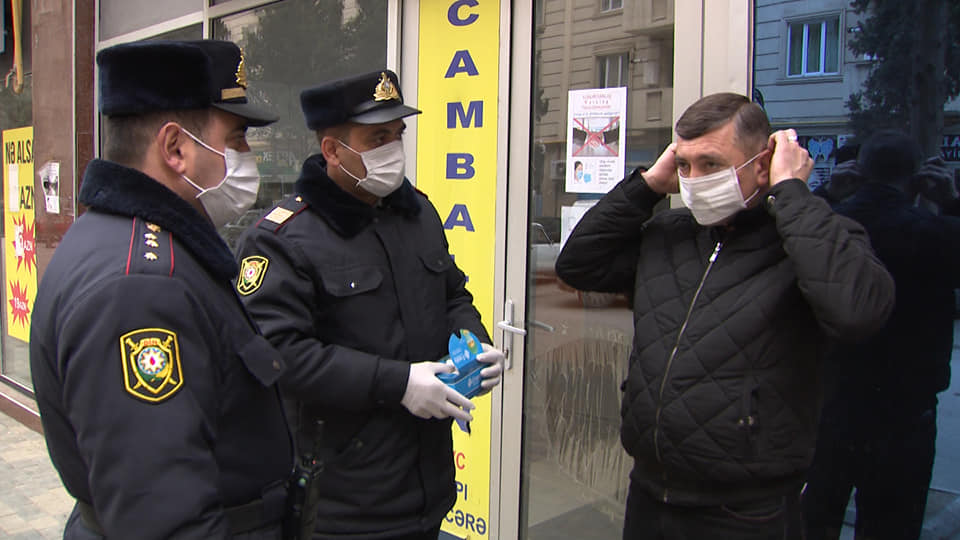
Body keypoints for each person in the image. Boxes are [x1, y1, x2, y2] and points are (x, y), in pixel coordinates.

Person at [554, 92, 895, 539]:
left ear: (762, 165)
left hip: (745, 510)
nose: (693, 179)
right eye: (684, 165)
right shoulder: (669, 234)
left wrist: (790, 192)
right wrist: (649, 185)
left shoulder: (805, 240)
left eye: (711, 164)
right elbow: (577, 264)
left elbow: (857, 311)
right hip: (651, 492)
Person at [29, 40, 293, 539]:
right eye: (236, 139)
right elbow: (165, 520)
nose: (247, 158)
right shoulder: (142, 288)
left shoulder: (134, 243)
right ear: (175, 149)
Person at [234, 69, 504, 540]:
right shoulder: (283, 238)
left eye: (397, 134)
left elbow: (452, 293)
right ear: (334, 151)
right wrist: (397, 382)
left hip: (428, 485)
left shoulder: (416, 212)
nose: (394, 149)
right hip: (343, 502)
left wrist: (473, 341)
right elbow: (281, 356)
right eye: (377, 138)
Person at [803, 130, 960, 540]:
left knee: (813, 520)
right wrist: (951, 201)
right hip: (906, 413)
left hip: (829, 404)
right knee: (892, 525)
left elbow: (787, 241)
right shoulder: (937, 233)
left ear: (860, 172)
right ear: (917, 177)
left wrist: (827, 195)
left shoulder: (832, 228)